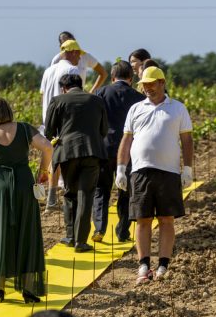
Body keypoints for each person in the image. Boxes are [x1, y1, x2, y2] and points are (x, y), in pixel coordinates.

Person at [0, 97, 51, 303]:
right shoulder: (24, 129)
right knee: (27, 233)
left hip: (0, 188)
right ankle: (29, 290)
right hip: (24, 184)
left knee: (0, 234)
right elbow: (48, 147)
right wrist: (43, 172)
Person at [117, 66, 193, 283]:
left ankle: (163, 265)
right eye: (144, 85)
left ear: (162, 83)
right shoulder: (136, 109)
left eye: (151, 84)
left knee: (167, 219)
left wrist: (187, 169)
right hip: (140, 171)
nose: (147, 88)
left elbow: (187, 140)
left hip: (168, 172)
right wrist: (121, 168)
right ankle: (143, 265)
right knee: (142, 219)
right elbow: (126, 140)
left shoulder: (177, 109)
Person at [44, 73, 108, 251]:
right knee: (86, 195)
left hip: (67, 153)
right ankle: (81, 241)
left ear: (64, 88)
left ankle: (70, 236)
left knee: (70, 194)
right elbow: (104, 130)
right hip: (92, 153)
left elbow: (49, 131)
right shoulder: (96, 101)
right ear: (81, 85)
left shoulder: (58, 101)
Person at [92, 60, 145, 243]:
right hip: (128, 150)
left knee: (101, 189)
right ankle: (123, 231)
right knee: (126, 192)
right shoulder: (138, 97)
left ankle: (99, 228)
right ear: (130, 78)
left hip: (104, 148)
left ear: (113, 77)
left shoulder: (100, 93)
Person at [40, 40, 81, 212]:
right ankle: (53, 200)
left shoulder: (48, 70)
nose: (79, 57)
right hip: (64, 119)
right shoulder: (72, 70)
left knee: (47, 157)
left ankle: (43, 197)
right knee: (61, 159)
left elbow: (42, 95)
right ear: (70, 52)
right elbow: (75, 97)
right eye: (78, 53)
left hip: (48, 118)